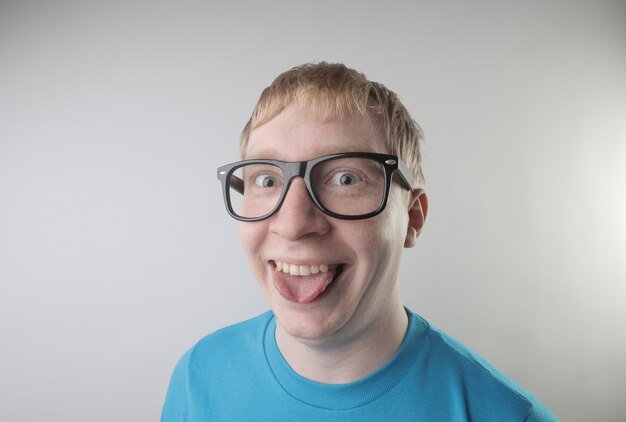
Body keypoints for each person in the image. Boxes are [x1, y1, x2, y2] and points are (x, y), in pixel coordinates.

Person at [161, 62, 558, 421]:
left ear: (412, 218)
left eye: (346, 178)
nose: (294, 223)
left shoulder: (506, 415)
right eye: (267, 180)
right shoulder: (197, 376)